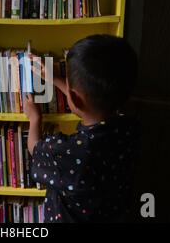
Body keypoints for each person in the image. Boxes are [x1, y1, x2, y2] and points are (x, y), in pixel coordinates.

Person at [23, 34, 139, 223]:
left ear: (75, 98)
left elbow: (34, 148)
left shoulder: (72, 153)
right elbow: (85, 102)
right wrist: (59, 81)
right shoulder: (130, 128)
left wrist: (35, 118)